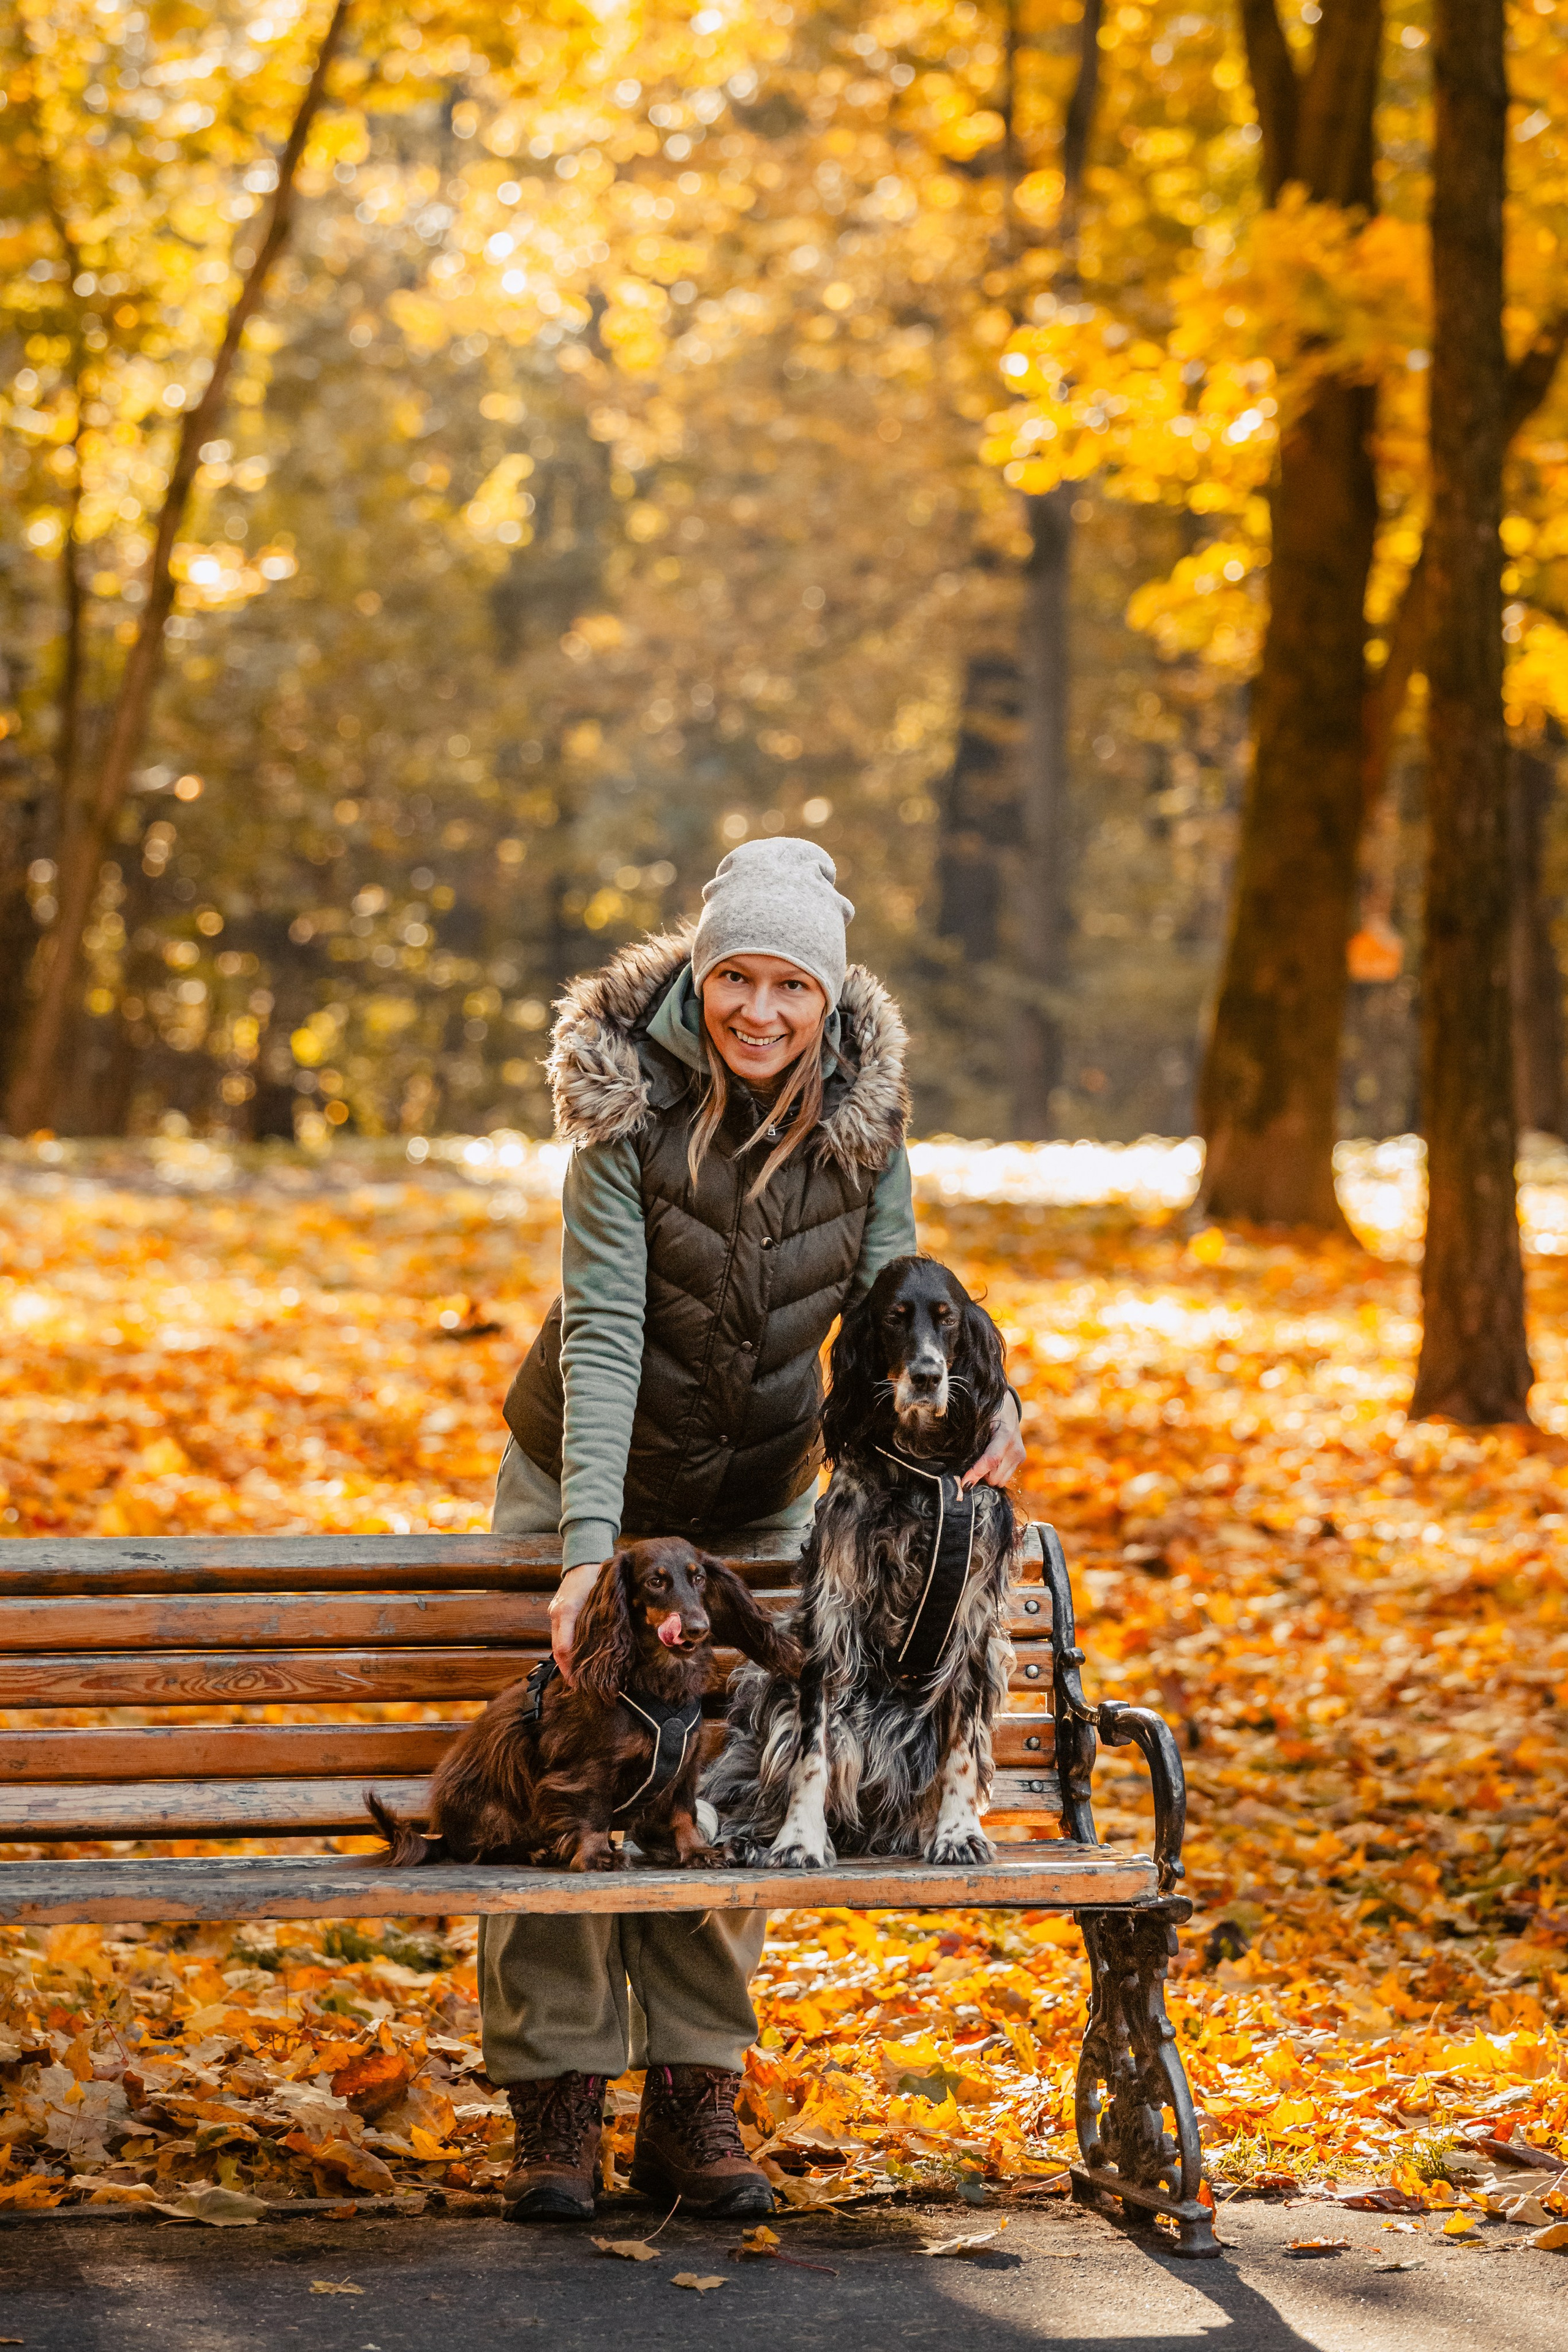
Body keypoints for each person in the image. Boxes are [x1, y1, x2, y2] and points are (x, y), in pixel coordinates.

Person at [484, 836, 1025, 2222]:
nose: (761, 1011)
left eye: (793, 985)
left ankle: (691, 2096)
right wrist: (585, 1553)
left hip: (753, 1487)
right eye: (738, 977)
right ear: (699, 976)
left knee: (730, 1764)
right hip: (588, 1470)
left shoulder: (865, 1123)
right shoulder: (622, 1104)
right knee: (571, 1755)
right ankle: (557, 2104)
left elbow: (903, 1306)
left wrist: (994, 1415)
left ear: (828, 998)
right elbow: (605, 1334)